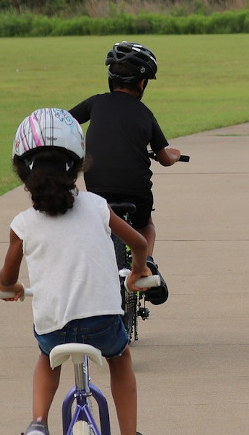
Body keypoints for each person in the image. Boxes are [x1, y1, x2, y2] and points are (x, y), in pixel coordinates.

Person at [0, 107, 152, 435]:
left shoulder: (23, 224)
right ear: (77, 166)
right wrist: (138, 271)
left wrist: (11, 289)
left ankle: (37, 426)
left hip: (54, 328)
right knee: (120, 358)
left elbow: (6, 278)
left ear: (23, 171)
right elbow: (138, 243)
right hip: (102, 323)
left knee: (46, 358)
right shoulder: (97, 207)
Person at [69, 40, 182, 306]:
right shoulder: (145, 114)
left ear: (110, 77)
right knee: (146, 226)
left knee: (100, 222)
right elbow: (164, 157)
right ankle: (147, 265)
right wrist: (175, 155)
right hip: (136, 189)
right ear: (142, 83)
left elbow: (66, 120)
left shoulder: (96, 103)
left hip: (98, 187)